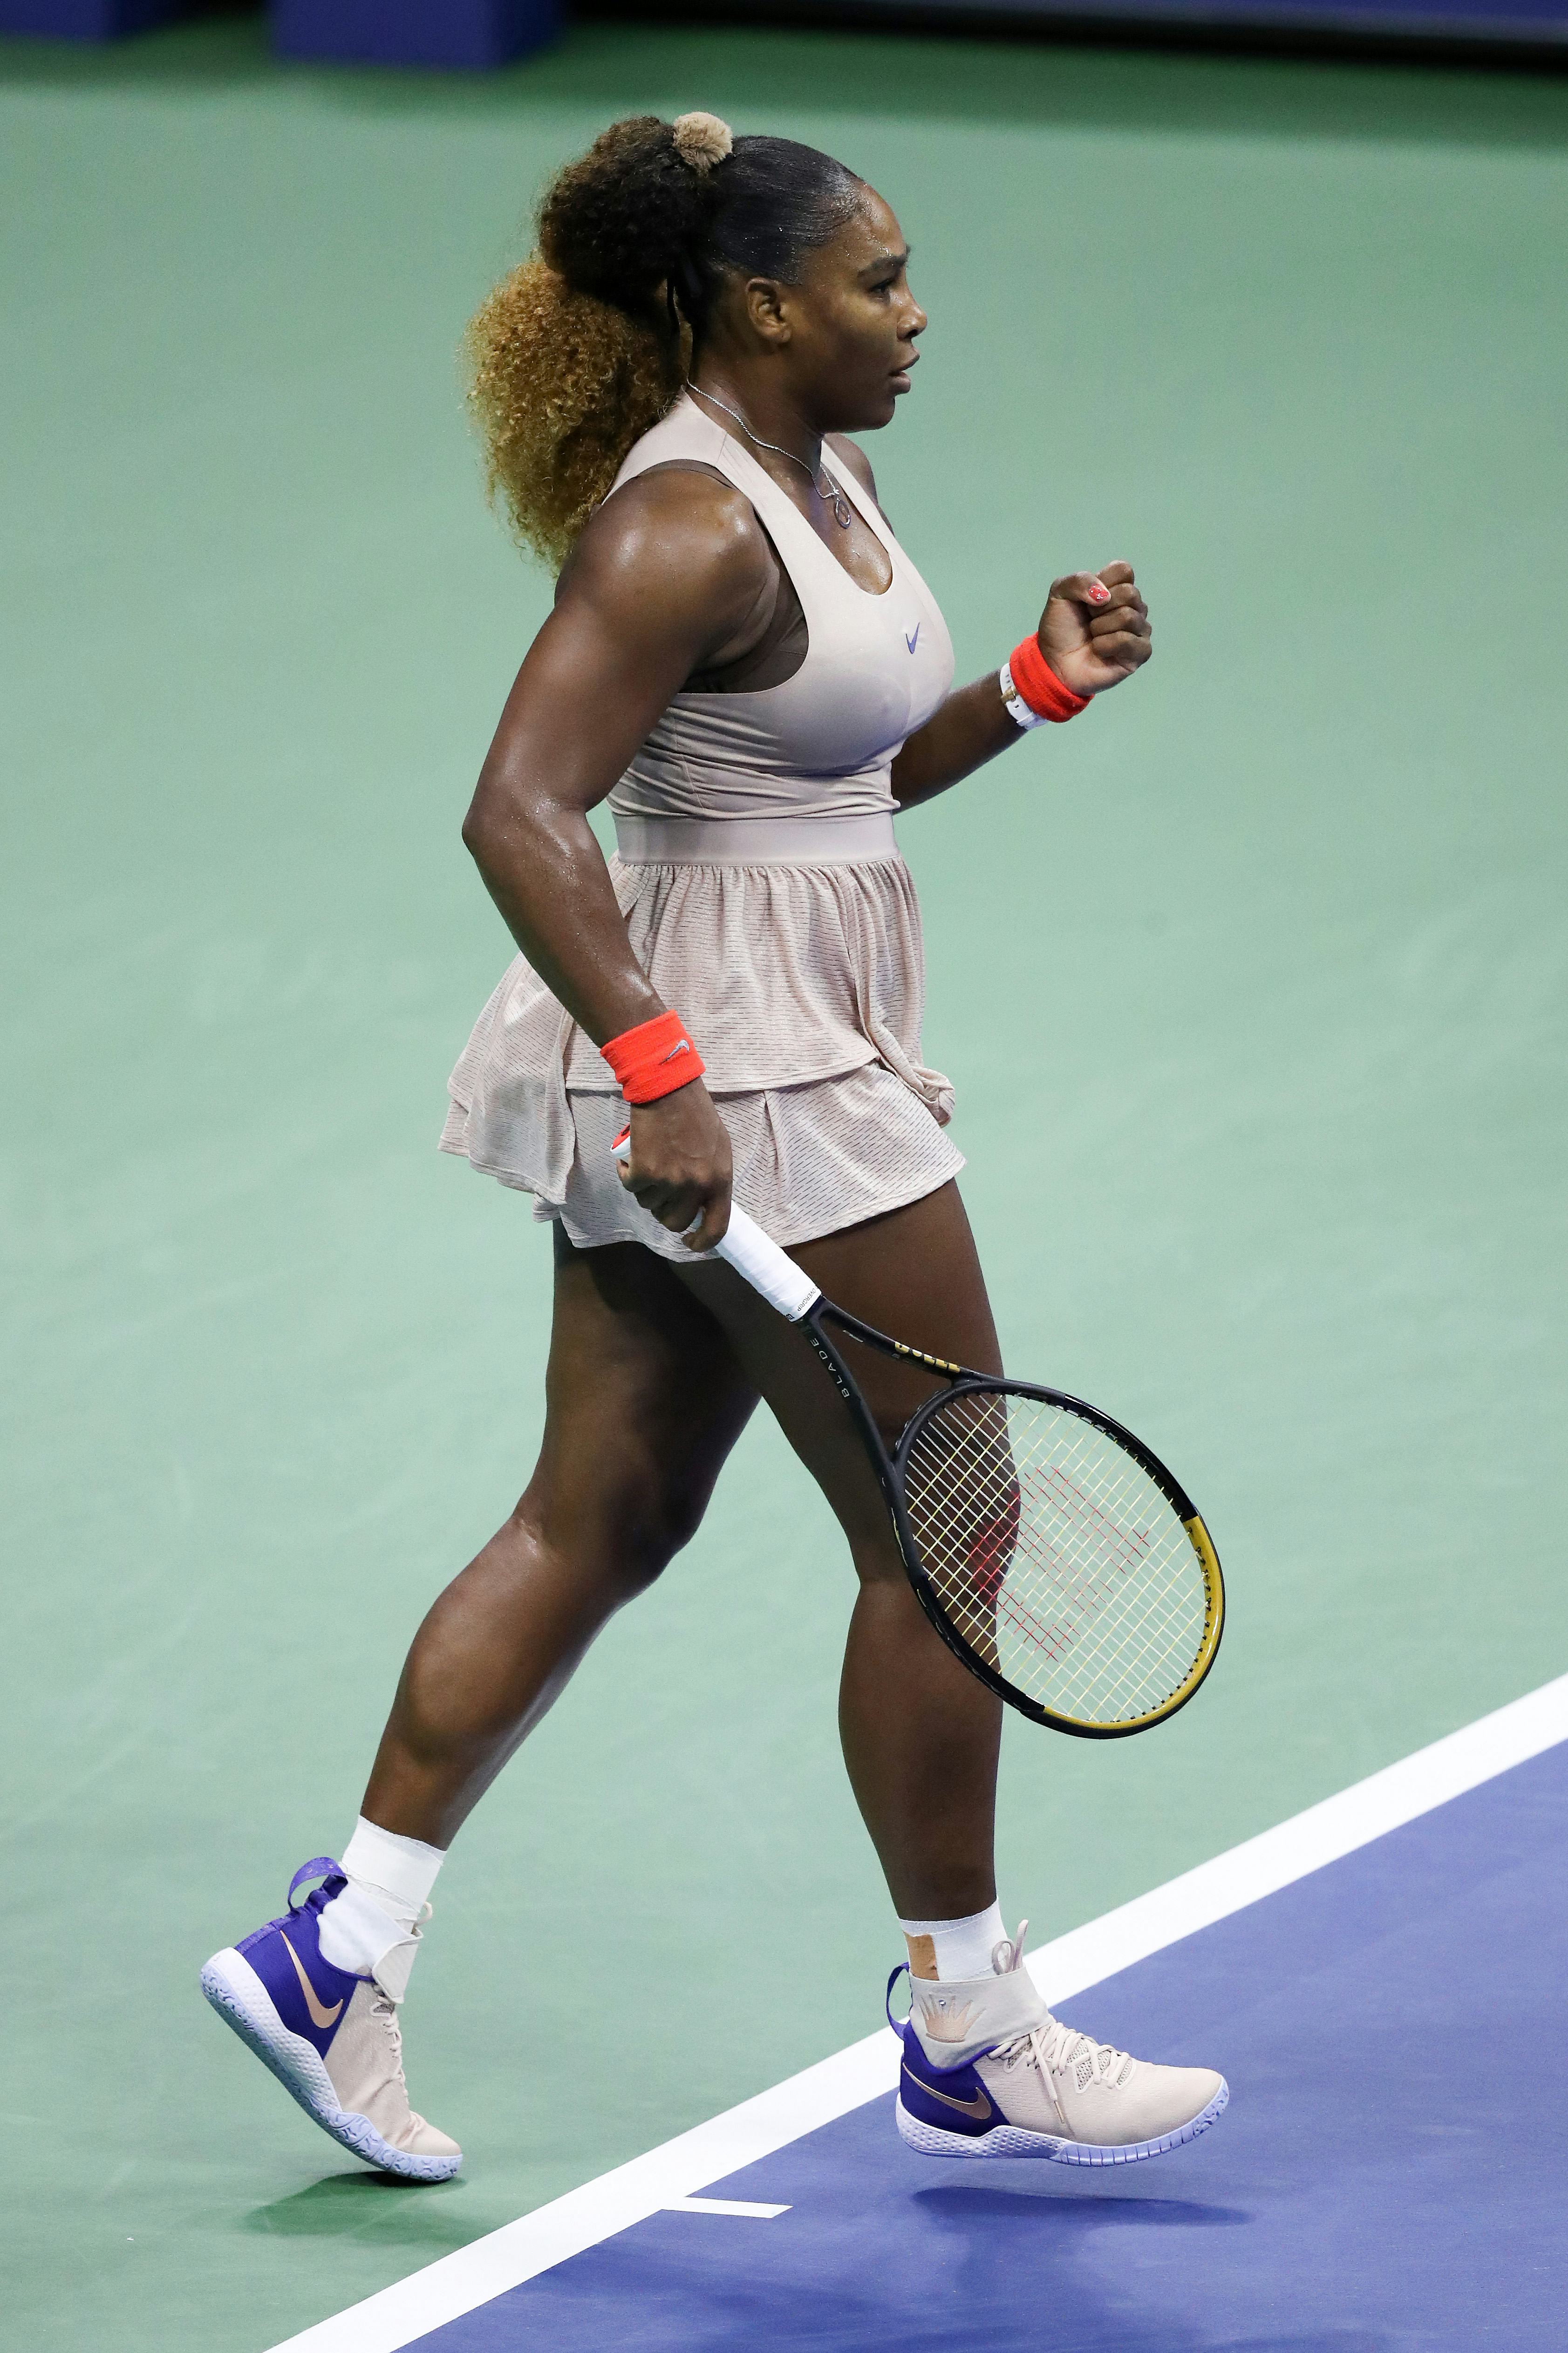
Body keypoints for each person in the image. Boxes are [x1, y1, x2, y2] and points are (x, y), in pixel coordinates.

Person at [202, 111, 1226, 2181]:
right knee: (954, 1543)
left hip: (727, 1052)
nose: (913, 315)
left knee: (602, 1517)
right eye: (877, 282)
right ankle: (973, 2025)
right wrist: (662, 1072)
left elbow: (824, 796)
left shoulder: (820, 480)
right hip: (740, 1081)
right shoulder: (682, 527)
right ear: (763, 305)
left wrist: (1026, 688)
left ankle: (345, 1947)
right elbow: (516, 810)